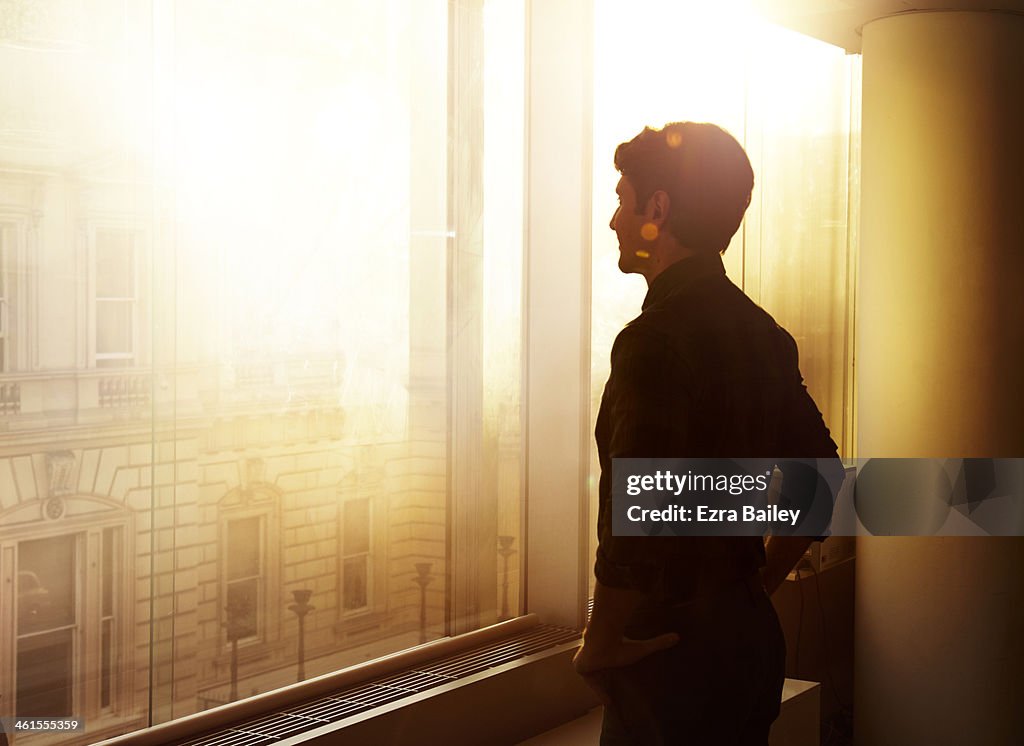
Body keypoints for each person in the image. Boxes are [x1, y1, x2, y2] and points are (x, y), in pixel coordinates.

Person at [573, 122, 845, 744]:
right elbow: (821, 485)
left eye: (623, 200)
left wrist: (600, 641)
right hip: (746, 647)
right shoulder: (764, 334)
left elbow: (636, 517)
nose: (615, 220)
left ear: (658, 210)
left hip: (667, 661)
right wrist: (754, 588)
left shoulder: (651, 344)